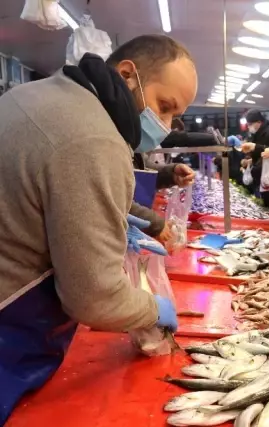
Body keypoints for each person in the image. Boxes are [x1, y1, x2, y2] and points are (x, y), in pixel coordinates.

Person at [0, 34, 197, 422]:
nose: (167, 125)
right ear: (128, 75)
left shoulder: (34, 94)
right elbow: (93, 298)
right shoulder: (95, 137)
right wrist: (152, 309)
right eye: (164, 106)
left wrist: (129, 218)